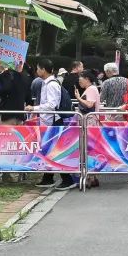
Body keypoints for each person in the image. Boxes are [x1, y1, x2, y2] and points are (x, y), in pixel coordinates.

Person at [26, 60, 76, 191]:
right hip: (49, 120)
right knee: (49, 150)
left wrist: (34, 108)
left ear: (43, 69)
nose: (37, 71)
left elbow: (52, 105)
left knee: (53, 151)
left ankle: (67, 179)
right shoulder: (48, 83)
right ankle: (48, 178)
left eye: (38, 68)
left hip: (53, 121)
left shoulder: (51, 84)